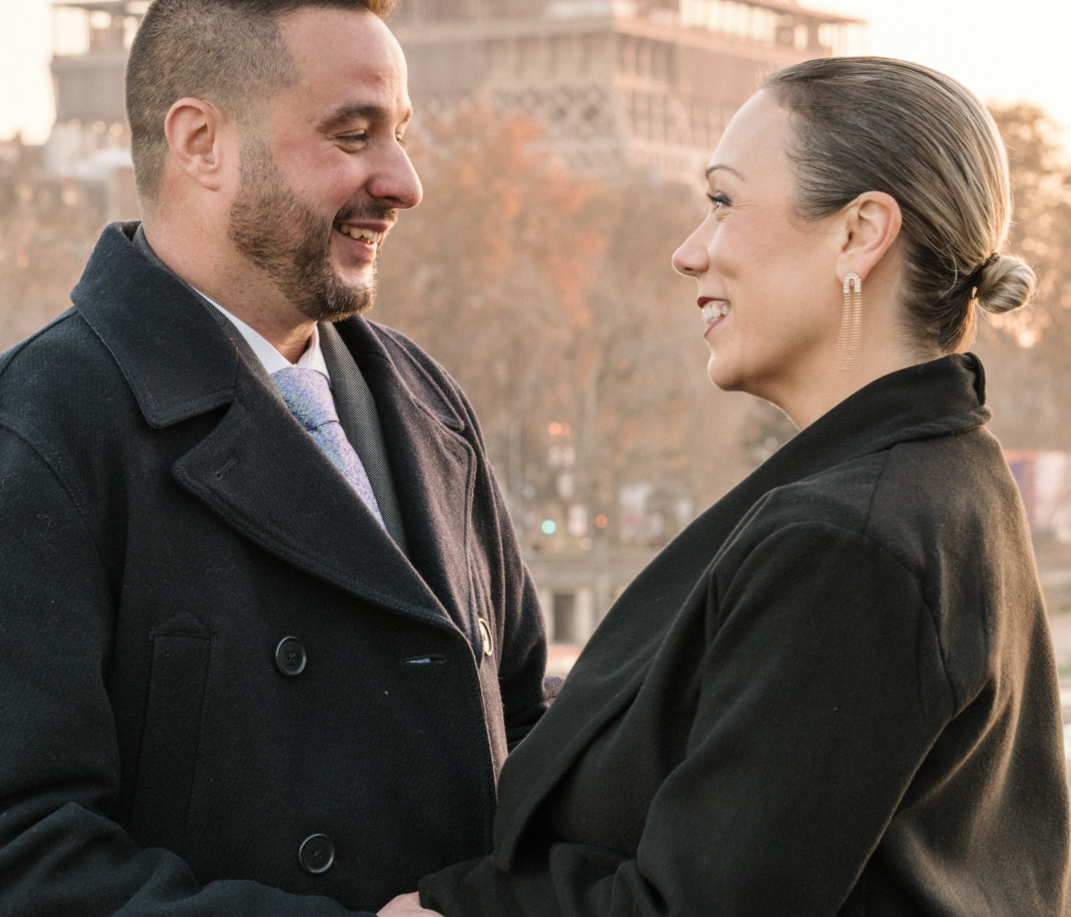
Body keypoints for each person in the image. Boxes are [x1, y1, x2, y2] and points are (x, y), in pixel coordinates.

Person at [388, 56, 1070, 917]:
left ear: (859, 233)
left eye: (720, 201)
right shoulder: (940, 483)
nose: (685, 251)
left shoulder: (846, 543)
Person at [0, 0, 548, 916]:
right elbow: (24, 851)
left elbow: (533, 726)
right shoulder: (47, 422)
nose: (405, 181)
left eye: (402, 136)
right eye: (352, 134)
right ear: (201, 142)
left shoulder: (428, 402)